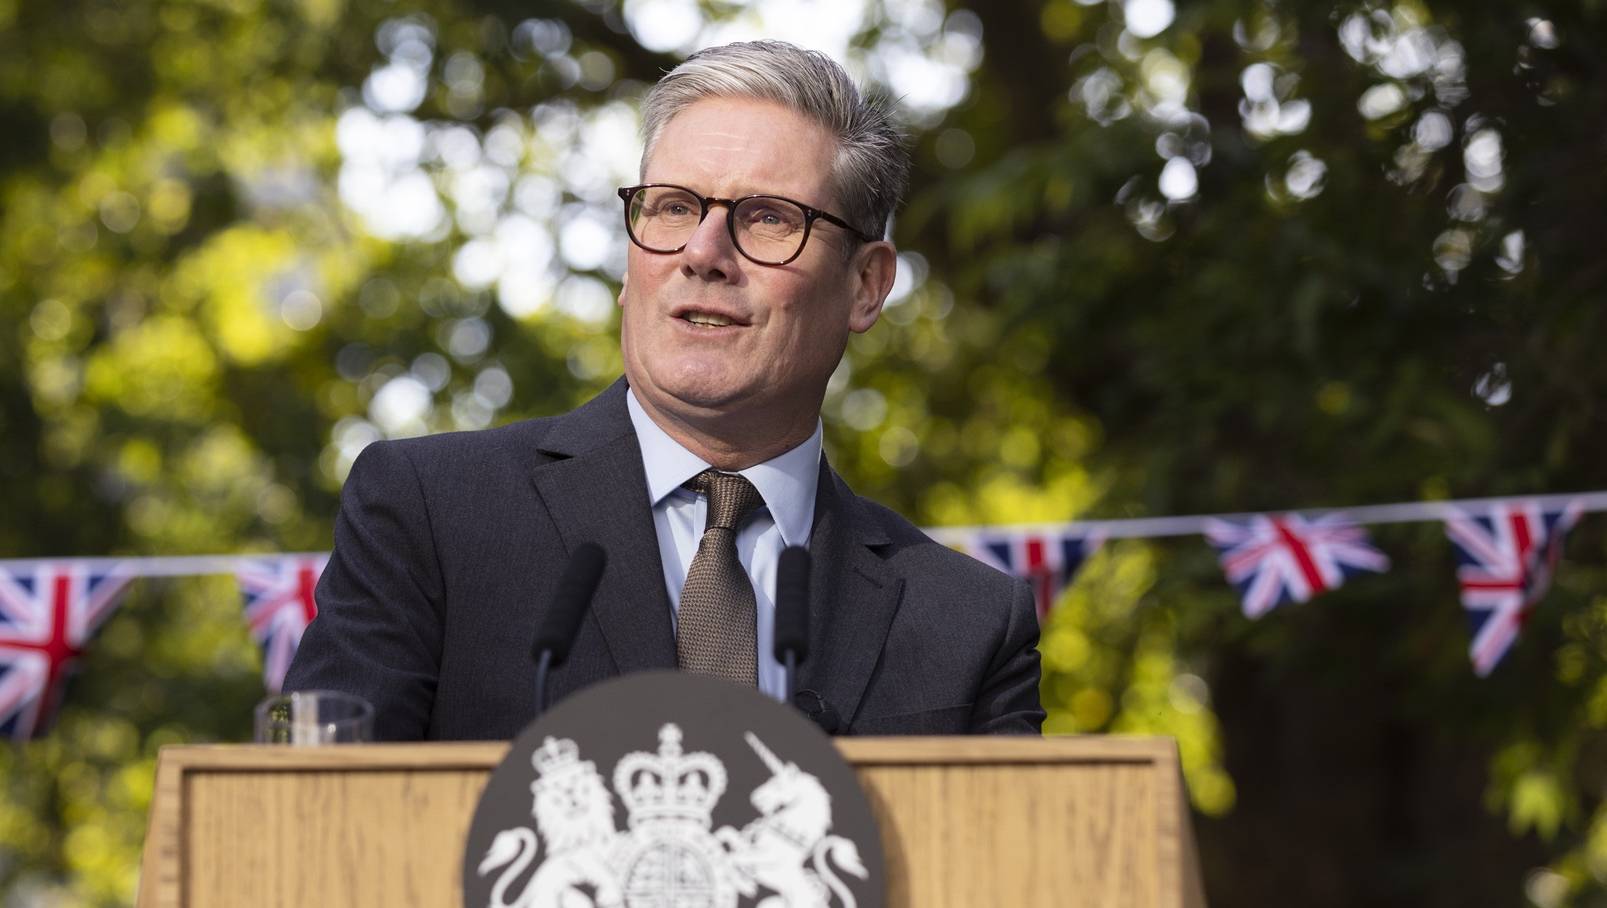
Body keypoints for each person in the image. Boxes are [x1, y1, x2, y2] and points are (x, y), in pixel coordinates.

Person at [282, 39, 1043, 739]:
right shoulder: (429, 512)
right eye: (674, 207)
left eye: (768, 218)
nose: (703, 252)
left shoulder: (971, 622)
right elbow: (306, 830)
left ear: (867, 285)